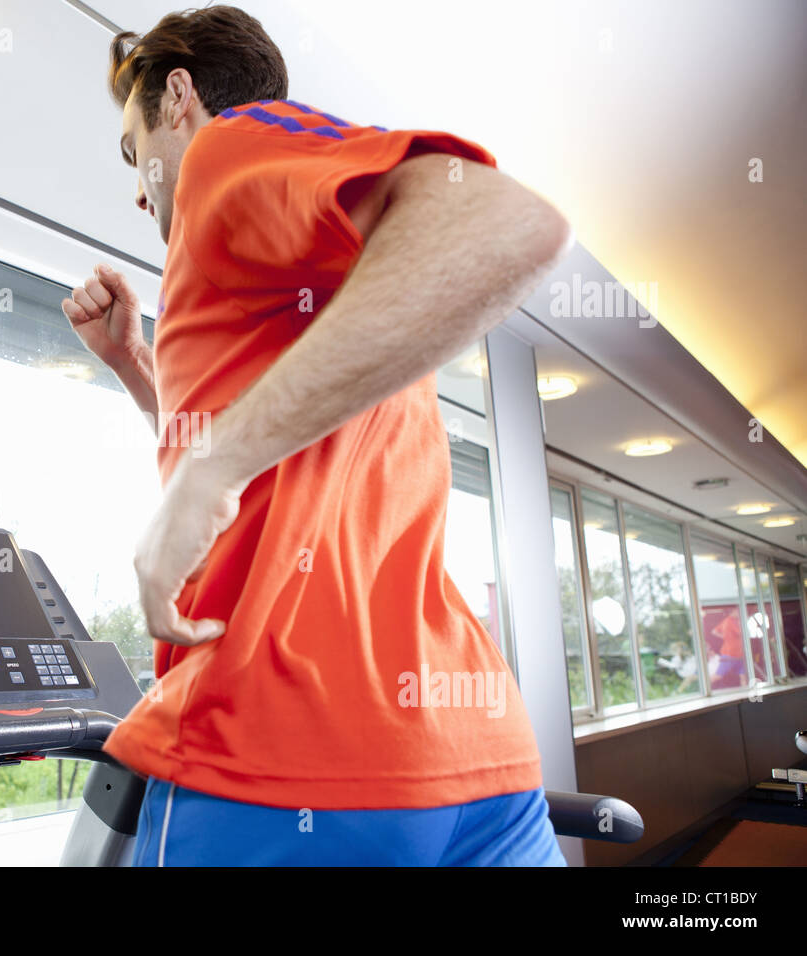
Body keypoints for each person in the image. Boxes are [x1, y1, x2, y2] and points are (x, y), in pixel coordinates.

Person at [61, 5, 574, 866]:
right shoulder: (315, 277)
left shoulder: (225, 150)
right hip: (466, 752)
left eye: (132, 148)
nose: (136, 182)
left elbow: (506, 223)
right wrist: (136, 369)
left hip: (284, 749)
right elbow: (277, 463)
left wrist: (211, 468)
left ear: (179, 96)